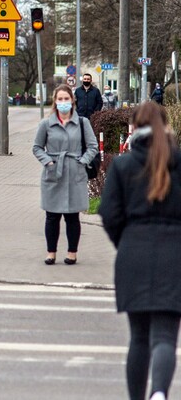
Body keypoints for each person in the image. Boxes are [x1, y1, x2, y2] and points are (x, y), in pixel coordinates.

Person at [99, 102, 181, 400]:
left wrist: (127, 241)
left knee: (139, 338)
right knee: (165, 337)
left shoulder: (123, 165)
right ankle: (159, 392)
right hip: (175, 256)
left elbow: (108, 214)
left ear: (134, 129)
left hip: (133, 254)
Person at [32, 84, 97, 265]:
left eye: (66, 99)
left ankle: (72, 252)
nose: (63, 102)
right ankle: (51, 252)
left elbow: (93, 147)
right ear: (54, 102)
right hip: (53, 173)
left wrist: (82, 161)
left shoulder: (83, 123)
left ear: (72, 100)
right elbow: (37, 147)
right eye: (59, 99)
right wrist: (48, 161)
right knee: (52, 216)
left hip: (75, 173)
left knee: (72, 216)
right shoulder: (46, 124)